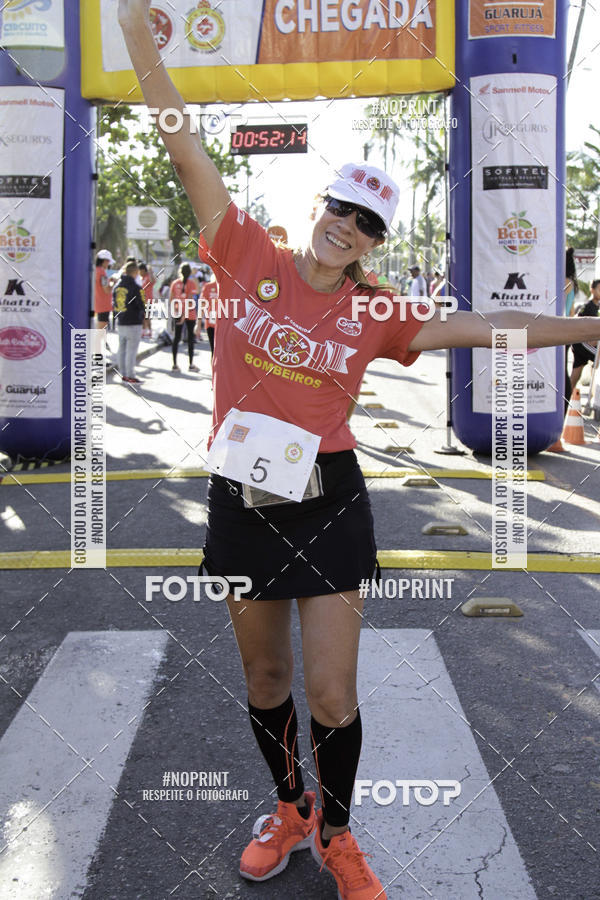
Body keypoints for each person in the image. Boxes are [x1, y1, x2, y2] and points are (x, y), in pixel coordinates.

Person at [118, 4, 600, 896]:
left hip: (330, 498)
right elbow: (184, 146)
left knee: (332, 695)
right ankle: (291, 807)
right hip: (242, 497)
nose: (349, 227)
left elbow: (492, 325)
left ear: (376, 244)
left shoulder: (377, 313)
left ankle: (339, 836)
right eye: (342, 207)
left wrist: (589, 324)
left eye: (368, 223)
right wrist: (140, 39)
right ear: (320, 208)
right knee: (265, 680)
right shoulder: (241, 251)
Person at [113, 259, 146, 383]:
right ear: (136, 272)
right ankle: (130, 375)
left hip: (120, 321)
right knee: (131, 351)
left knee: (121, 349)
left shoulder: (117, 287)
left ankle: (123, 373)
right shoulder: (136, 288)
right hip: (133, 322)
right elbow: (142, 305)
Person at [570, 279, 600, 392]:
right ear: (592, 290)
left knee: (576, 373)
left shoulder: (598, 307)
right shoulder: (587, 306)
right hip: (582, 344)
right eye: (599, 289)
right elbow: (576, 322)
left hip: (588, 345)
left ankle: (565, 397)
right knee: (597, 358)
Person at [169, 263, 200, 372]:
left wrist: (178, 313)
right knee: (190, 339)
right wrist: (184, 315)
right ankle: (191, 365)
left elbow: (171, 300)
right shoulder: (191, 283)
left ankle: (174, 364)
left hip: (177, 313)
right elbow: (190, 301)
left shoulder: (174, 283)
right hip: (189, 314)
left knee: (176, 338)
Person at [94, 249, 115, 329]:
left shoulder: (95, 271)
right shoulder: (102, 273)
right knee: (101, 330)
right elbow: (107, 290)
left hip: (97, 303)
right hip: (103, 305)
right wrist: (113, 283)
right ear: (105, 261)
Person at [199, 272, 219, 358]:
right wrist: (198, 324)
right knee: (214, 351)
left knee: (219, 352)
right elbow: (202, 306)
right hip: (211, 323)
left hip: (224, 323)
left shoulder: (230, 286)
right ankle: (214, 371)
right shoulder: (208, 287)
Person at [139, 262, 155, 337]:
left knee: (146, 316)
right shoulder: (141, 278)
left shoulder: (148, 277)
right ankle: (145, 331)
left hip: (148, 300)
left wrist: (150, 271)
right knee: (144, 316)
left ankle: (148, 331)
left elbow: (153, 281)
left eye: (141, 271)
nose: (140, 272)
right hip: (141, 300)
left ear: (144, 270)